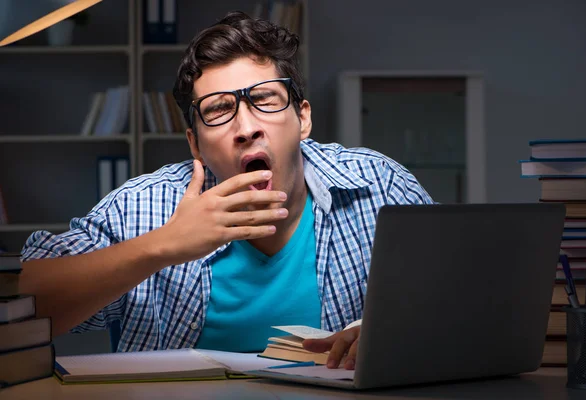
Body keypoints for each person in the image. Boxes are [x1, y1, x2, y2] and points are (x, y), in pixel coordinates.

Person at [19, 11, 434, 370]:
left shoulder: (380, 186)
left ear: (302, 118)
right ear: (195, 143)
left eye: (265, 99)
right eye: (219, 109)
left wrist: (387, 333)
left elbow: (461, 308)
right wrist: (166, 244)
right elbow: (18, 310)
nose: (247, 127)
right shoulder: (141, 207)